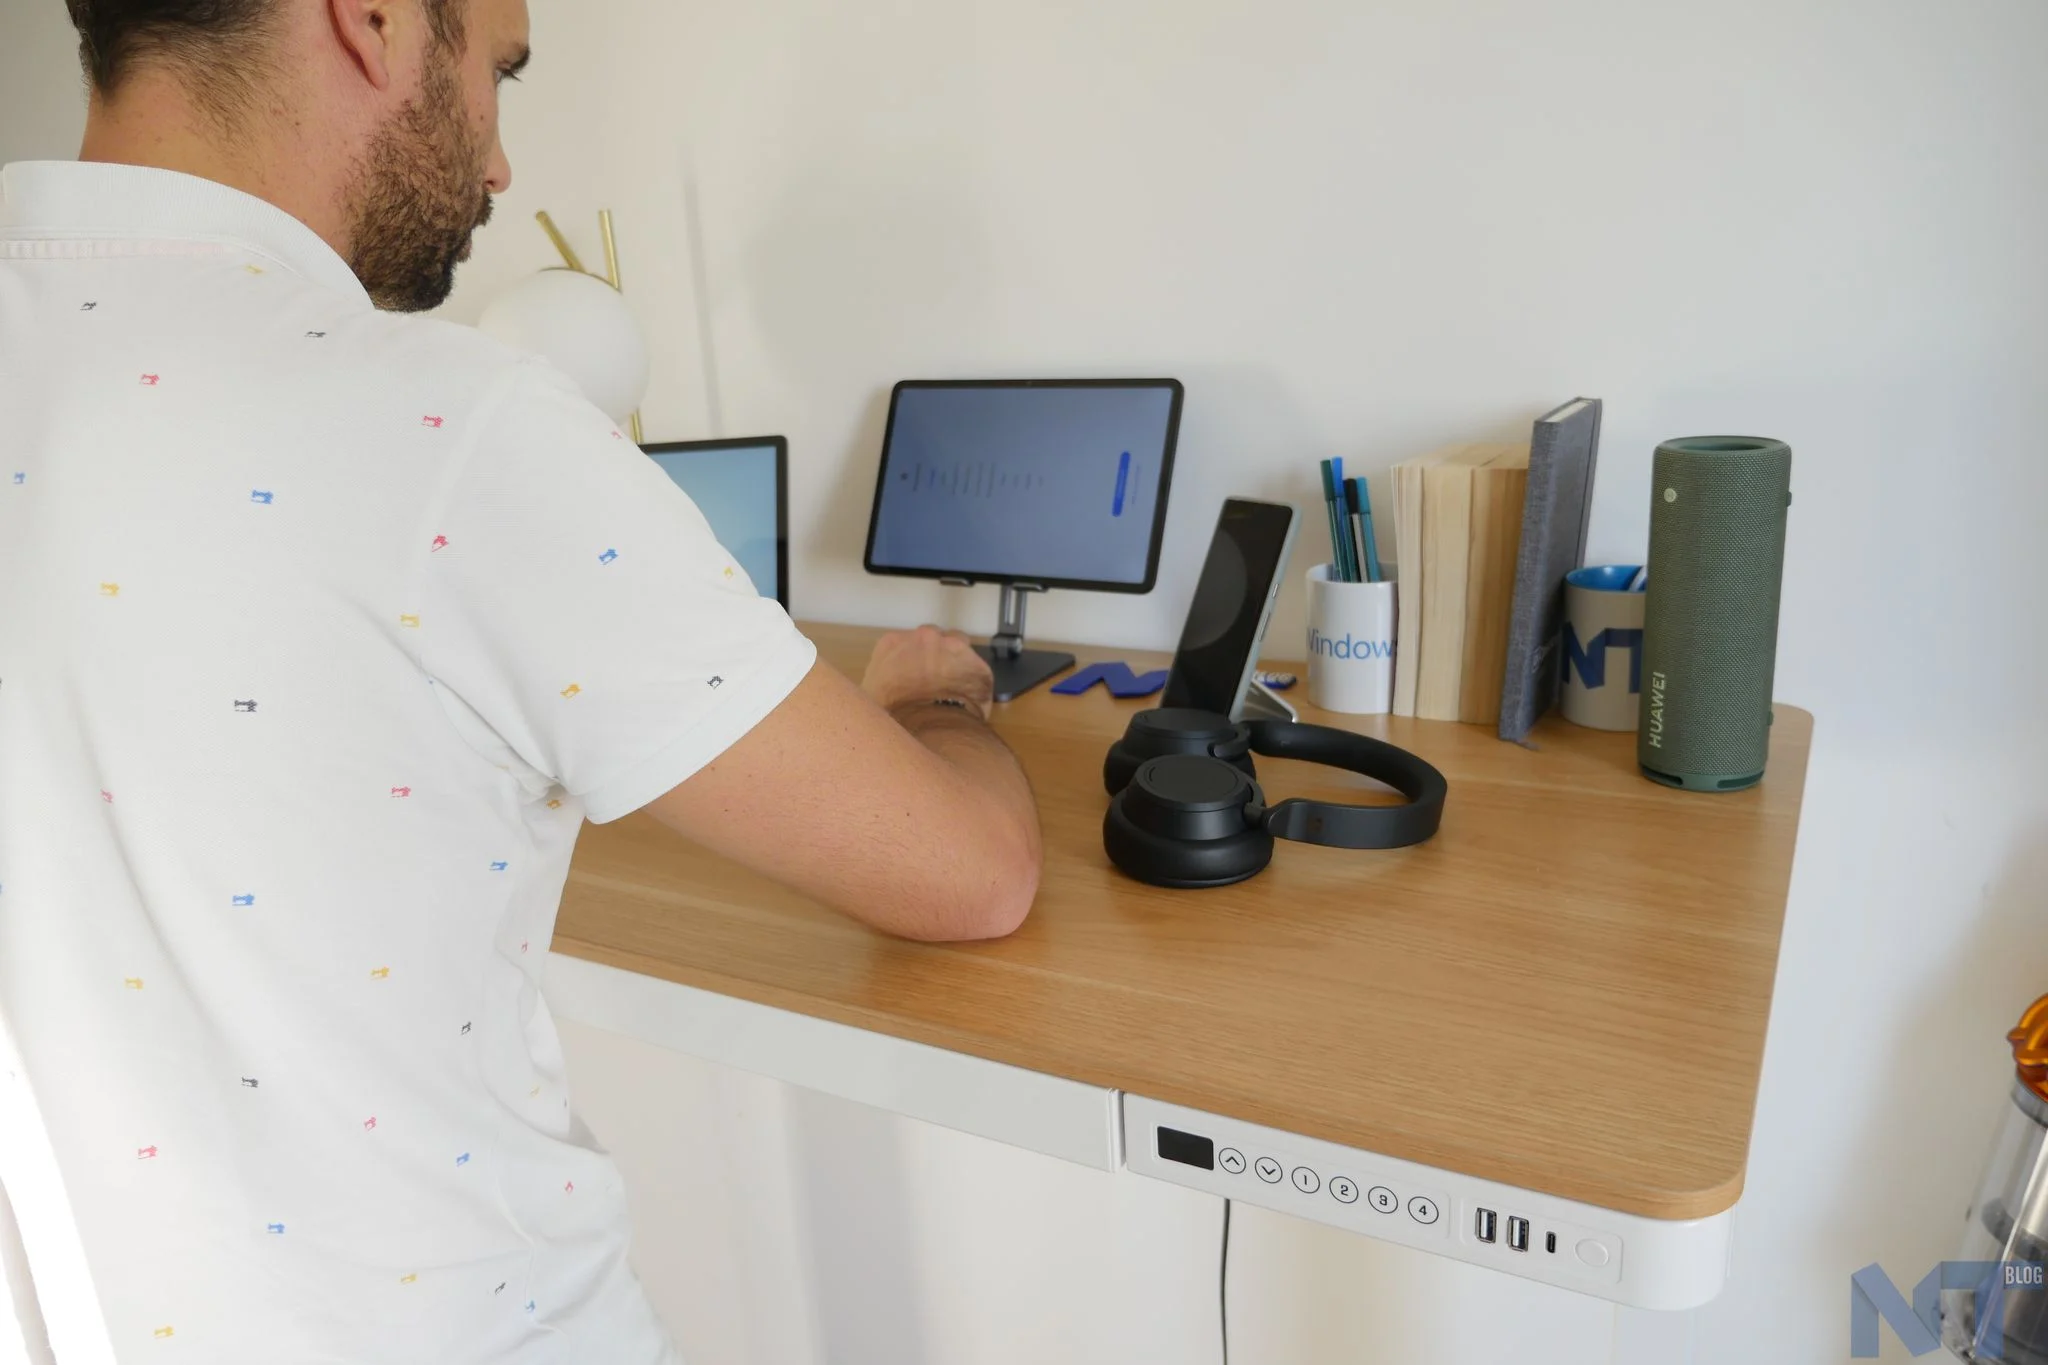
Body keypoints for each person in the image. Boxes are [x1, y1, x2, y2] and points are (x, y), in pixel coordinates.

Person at [0, 0, 1043, 1359]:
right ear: (374, 20)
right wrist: (933, 701)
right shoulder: (446, 423)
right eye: (497, 68)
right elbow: (970, 876)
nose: (499, 163)